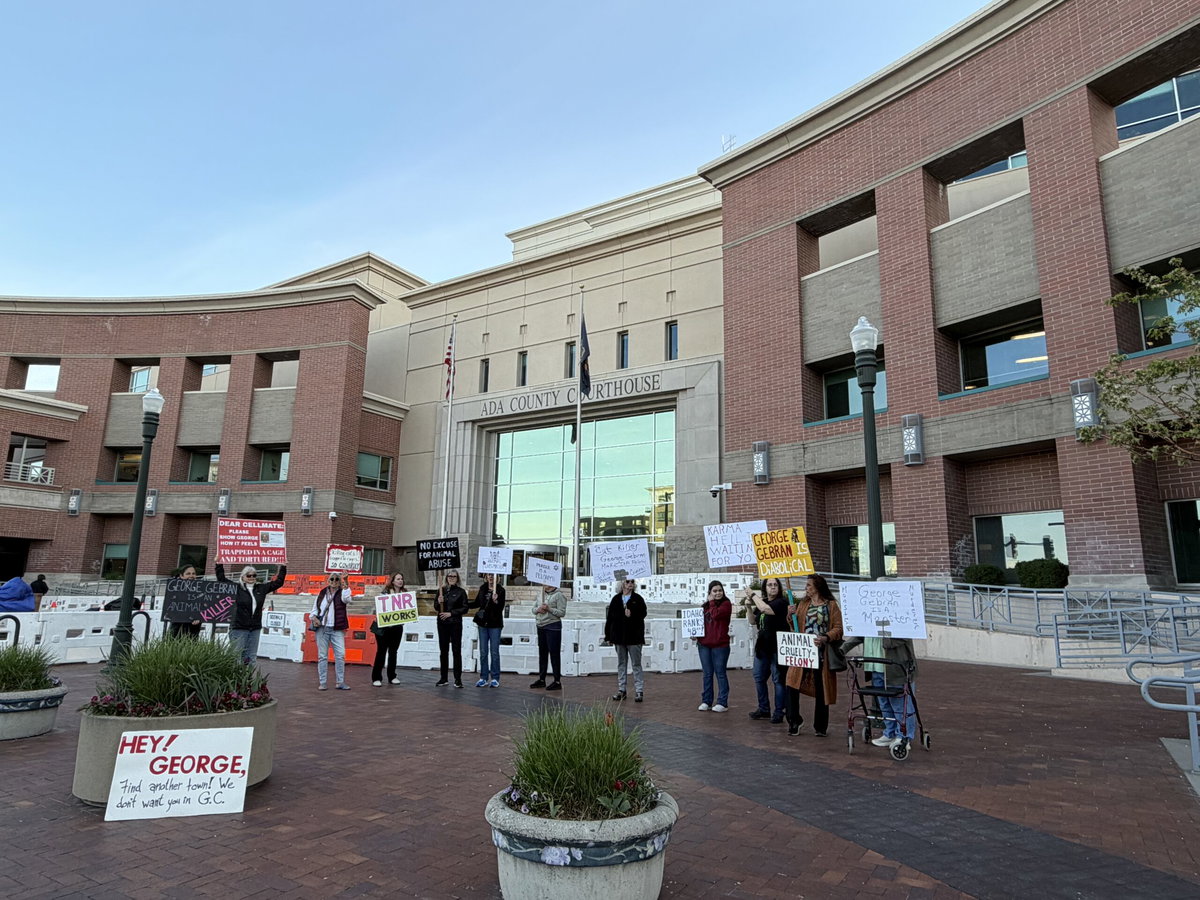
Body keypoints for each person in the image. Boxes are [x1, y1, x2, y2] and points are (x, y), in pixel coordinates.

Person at [784, 573, 843, 737]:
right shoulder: (803, 604)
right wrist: (790, 615)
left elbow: (838, 628)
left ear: (818, 586)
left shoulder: (830, 605)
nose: (806, 588)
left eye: (809, 585)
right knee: (791, 683)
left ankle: (820, 726)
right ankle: (794, 720)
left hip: (821, 654)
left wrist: (826, 637)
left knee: (821, 688)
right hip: (803, 651)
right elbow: (795, 627)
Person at [842, 633, 918, 748]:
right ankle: (890, 732)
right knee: (884, 702)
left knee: (900, 703)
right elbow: (861, 633)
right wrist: (844, 648)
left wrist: (886, 639)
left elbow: (906, 633)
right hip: (875, 665)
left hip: (896, 667)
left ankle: (904, 736)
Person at [215, 561, 287, 664]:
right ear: (243, 577)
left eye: (254, 575)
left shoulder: (260, 588)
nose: (252, 577)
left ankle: (248, 679)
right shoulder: (237, 588)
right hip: (239, 627)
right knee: (236, 656)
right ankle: (236, 678)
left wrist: (283, 567)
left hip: (255, 628)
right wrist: (219, 564)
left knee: (251, 657)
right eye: (249, 575)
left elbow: (278, 583)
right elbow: (222, 579)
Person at [749, 577, 789, 724]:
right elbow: (753, 621)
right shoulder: (762, 603)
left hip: (776, 647)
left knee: (778, 679)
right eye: (769, 585)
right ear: (765, 588)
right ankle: (763, 708)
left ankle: (779, 711)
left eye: (775, 585)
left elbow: (766, 609)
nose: (772, 587)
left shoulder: (781, 603)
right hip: (762, 647)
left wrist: (753, 596)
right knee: (759, 678)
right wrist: (748, 606)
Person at [605, 577, 647, 702]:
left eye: (632, 582)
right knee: (621, 663)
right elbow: (610, 619)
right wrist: (608, 636)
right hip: (619, 637)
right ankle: (621, 689)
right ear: (622, 583)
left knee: (636, 664)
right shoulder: (616, 599)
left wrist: (632, 614)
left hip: (634, 637)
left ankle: (639, 690)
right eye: (628, 581)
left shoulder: (638, 599)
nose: (630, 584)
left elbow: (643, 614)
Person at [694, 580, 732, 712]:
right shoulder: (704, 606)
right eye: (715, 591)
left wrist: (711, 602)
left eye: (720, 590)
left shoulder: (726, 604)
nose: (718, 593)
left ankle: (722, 702)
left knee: (720, 673)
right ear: (710, 592)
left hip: (720, 645)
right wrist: (694, 634)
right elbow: (700, 623)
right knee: (707, 674)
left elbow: (715, 615)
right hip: (704, 644)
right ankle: (706, 700)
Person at [311, 573, 352, 691]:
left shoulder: (342, 592)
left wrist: (345, 581)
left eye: (337, 579)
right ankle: (322, 682)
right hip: (322, 628)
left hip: (336, 628)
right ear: (328, 580)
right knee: (322, 656)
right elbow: (314, 609)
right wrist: (314, 618)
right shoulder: (322, 593)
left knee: (340, 655)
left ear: (339, 581)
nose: (334, 581)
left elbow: (347, 599)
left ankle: (340, 681)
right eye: (332, 579)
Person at [470, 572, 506, 688]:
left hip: (495, 624)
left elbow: (500, 608)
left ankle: (495, 678)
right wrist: (463, 604)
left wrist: (495, 601)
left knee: (494, 652)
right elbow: (477, 603)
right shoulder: (483, 588)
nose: (491, 577)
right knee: (483, 651)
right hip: (483, 624)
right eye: (489, 575)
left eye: (493, 575)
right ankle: (483, 677)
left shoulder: (501, 590)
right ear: (486, 577)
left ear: (498, 577)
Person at [371, 572, 407, 686]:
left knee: (393, 652)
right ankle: (376, 678)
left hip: (397, 628)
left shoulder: (405, 594)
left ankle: (392, 676)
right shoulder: (385, 593)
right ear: (392, 581)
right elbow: (379, 607)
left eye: (401, 579)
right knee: (381, 652)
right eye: (398, 579)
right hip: (384, 628)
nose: (400, 581)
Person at [530, 581, 567, 691]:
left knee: (554, 653)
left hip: (552, 626)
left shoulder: (559, 595)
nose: (545, 584)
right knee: (542, 653)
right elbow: (533, 609)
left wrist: (549, 609)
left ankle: (557, 680)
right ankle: (542, 679)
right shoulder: (540, 594)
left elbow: (562, 613)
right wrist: (538, 610)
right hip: (540, 625)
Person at [434, 569, 468, 687]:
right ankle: (443, 677)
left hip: (455, 623)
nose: (451, 578)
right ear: (446, 578)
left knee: (456, 650)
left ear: (457, 578)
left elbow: (465, 608)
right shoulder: (441, 590)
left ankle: (457, 679)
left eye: (454, 576)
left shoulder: (461, 592)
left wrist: (451, 613)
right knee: (443, 651)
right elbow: (436, 607)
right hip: (442, 624)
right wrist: (439, 602)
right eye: (449, 576)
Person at [168, 565, 203, 639]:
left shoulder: (201, 590)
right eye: (188, 573)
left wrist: (199, 618)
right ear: (181, 576)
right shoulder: (174, 589)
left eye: (193, 573)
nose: (191, 575)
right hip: (177, 627)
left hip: (193, 628)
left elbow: (204, 607)